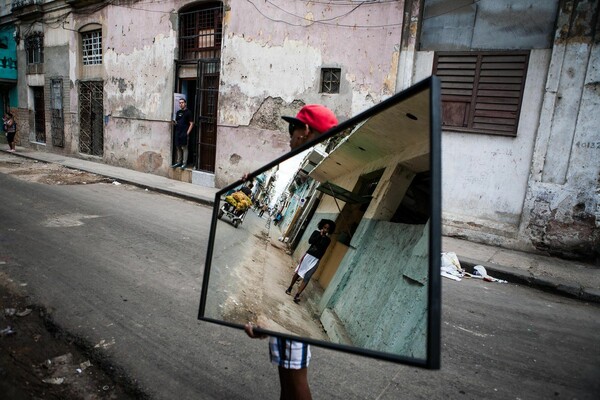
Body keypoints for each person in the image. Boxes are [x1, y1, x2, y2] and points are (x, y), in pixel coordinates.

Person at [245, 104, 338, 400]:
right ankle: (291, 290)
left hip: (312, 259)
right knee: (288, 378)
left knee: (295, 379)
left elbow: (319, 245)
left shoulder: (304, 154)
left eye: (292, 132)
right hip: (308, 256)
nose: (289, 139)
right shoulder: (301, 158)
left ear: (305, 132)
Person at [286, 219, 336, 303]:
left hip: (316, 260)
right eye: (324, 227)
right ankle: (290, 287)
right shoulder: (316, 233)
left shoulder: (328, 240)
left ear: (329, 230)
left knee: (307, 277)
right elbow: (310, 241)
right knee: (298, 273)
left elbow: (322, 248)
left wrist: (323, 237)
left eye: (327, 229)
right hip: (308, 256)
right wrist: (320, 235)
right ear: (322, 226)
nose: (325, 230)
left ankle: (297, 295)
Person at [172, 98, 194, 169]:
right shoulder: (178, 112)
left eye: (182, 103)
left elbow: (191, 123)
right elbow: (177, 122)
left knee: (184, 148)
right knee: (178, 147)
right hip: (178, 132)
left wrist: (187, 133)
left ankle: (184, 163)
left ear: (185, 103)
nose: (181, 104)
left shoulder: (188, 112)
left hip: (184, 133)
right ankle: (179, 162)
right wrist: (174, 123)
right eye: (180, 103)